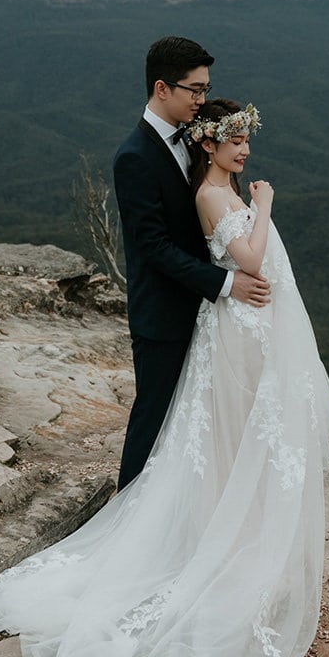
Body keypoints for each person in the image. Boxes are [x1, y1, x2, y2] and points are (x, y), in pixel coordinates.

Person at [0, 98, 329, 657]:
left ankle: (241, 536)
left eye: (248, 142)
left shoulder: (222, 187)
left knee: (245, 437)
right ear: (209, 145)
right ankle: (224, 544)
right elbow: (247, 259)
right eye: (235, 142)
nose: (245, 151)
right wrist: (268, 203)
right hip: (239, 327)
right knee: (233, 437)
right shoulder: (215, 198)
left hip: (252, 327)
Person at [108, 36, 270, 490]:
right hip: (163, 315)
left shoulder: (198, 141)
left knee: (192, 424)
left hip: (206, 316)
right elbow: (154, 247)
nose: (202, 99)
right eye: (194, 91)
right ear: (163, 88)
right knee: (153, 420)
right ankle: (126, 514)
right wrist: (225, 283)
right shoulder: (133, 158)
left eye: (205, 89)